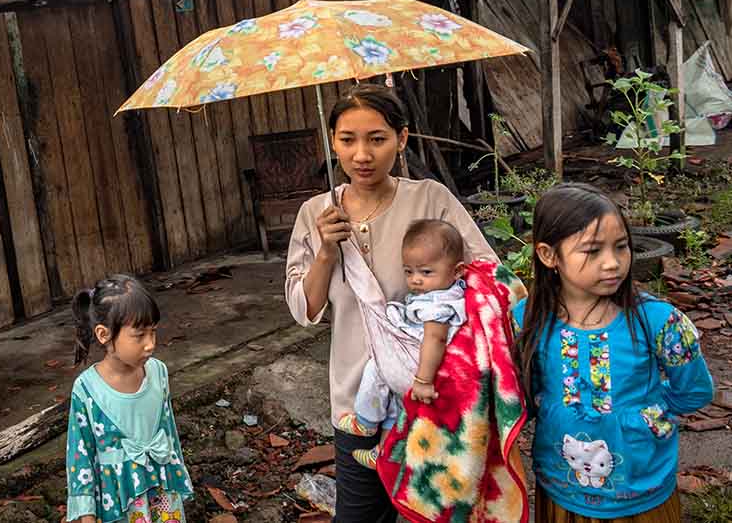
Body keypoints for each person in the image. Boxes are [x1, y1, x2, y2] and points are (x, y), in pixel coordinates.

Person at [284, 83, 496, 523]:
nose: (362, 154)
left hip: (432, 394)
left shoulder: (430, 199)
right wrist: (325, 250)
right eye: (347, 140)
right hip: (356, 404)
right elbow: (305, 312)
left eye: (377, 139)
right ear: (333, 143)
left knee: (441, 513)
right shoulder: (315, 213)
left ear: (401, 139)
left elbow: (484, 275)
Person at [514, 183, 713, 522]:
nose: (613, 263)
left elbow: (694, 390)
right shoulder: (526, 318)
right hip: (562, 484)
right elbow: (521, 395)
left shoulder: (660, 322)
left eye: (621, 247)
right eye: (592, 251)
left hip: (643, 486)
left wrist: (646, 413)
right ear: (548, 255)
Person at [338, 218, 469, 468]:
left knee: (377, 368)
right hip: (419, 360)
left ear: (457, 270)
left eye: (426, 272)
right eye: (409, 271)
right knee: (397, 407)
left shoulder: (437, 304)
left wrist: (423, 380)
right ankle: (383, 452)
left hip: (421, 366)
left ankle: (365, 422)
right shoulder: (449, 292)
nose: (415, 279)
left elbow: (435, 337)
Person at [65, 274, 194, 523]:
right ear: (104, 335)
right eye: (139, 335)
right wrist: (87, 516)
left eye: (153, 332)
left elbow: (169, 435)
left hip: (164, 497)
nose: (150, 345)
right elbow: (80, 460)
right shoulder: (87, 389)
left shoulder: (158, 373)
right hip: (119, 505)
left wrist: (180, 478)